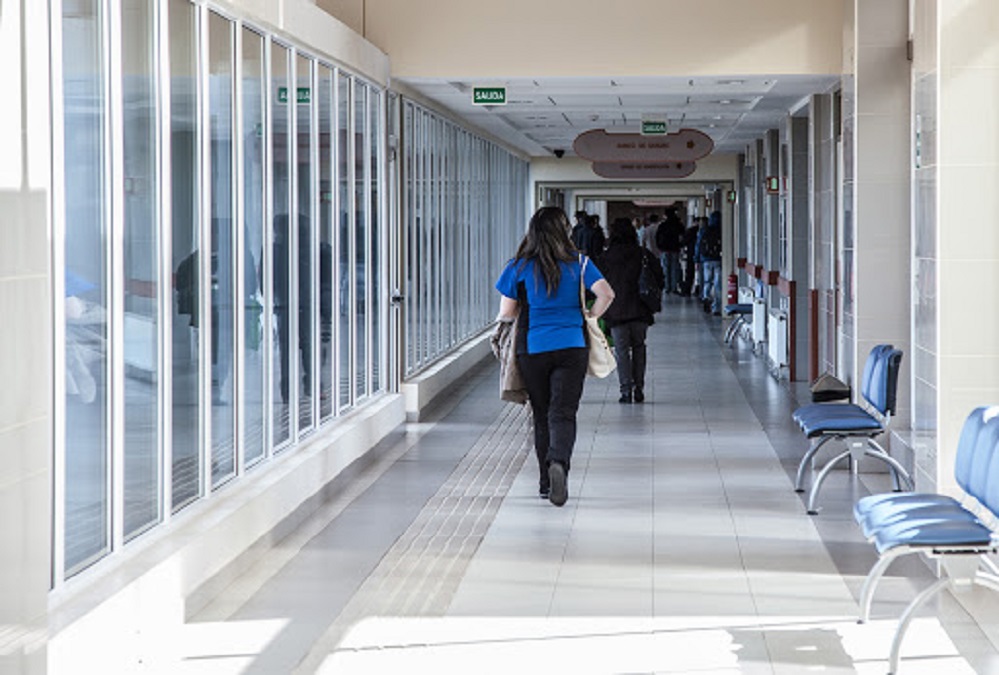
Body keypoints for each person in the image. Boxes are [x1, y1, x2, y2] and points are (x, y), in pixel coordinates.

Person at [495, 206, 615, 506]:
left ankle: (546, 482)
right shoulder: (581, 263)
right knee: (563, 413)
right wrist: (589, 313)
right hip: (572, 346)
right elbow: (607, 294)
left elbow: (506, 313)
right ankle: (559, 462)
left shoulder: (519, 266)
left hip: (533, 348)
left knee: (541, 413)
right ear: (565, 231)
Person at [597, 217, 665, 404]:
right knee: (639, 347)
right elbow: (659, 278)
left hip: (616, 311)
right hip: (640, 310)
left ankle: (625, 390)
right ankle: (639, 388)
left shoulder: (605, 257)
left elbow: (595, 285)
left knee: (621, 351)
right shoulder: (643, 254)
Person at [697, 210, 723, 315]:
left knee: (707, 281)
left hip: (706, 259)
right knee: (717, 284)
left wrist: (697, 259)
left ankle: (706, 297)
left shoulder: (704, 230)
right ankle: (716, 307)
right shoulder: (720, 230)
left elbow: (698, 245)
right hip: (717, 259)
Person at [655, 207, 685, 295]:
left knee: (666, 268)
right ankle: (674, 287)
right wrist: (681, 245)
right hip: (675, 248)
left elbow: (657, 237)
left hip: (665, 249)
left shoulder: (663, 225)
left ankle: (667, 287)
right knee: (674, 268)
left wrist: (659, 246)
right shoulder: (678, 224)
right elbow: (683, 235)